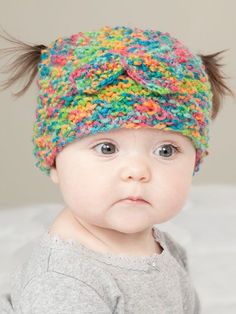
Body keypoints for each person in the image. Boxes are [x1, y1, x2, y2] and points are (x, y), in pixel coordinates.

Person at [0, 25, 234, 313]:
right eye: (107, 148)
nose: (137, 171)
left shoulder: (164, 248)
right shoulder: (63, 285)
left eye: (166, 150)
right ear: (55, 161)